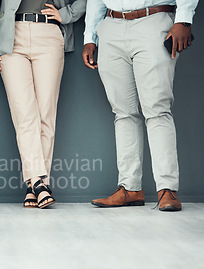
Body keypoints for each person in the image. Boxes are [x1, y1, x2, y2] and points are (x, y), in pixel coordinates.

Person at [82, 0, 198, 211]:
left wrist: (184, 20)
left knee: (157, 109)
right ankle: (130, 188)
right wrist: (90, 37)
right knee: (123, 112)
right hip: (111, 24)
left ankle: (167, 189)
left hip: (154, 21)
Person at [0, 0, 86, 208]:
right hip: (11, 36)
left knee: (45, 115)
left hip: (49, 33)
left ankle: (35, 187)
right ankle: (40, 183)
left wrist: (67, 14)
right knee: (24, 114)